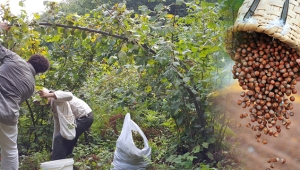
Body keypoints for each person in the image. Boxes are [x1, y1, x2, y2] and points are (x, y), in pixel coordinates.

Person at [0, 24, 50, 169]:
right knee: (10, 151)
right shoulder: (31, 86)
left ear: (29, 59)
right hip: (9, 116)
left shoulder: (15, 59)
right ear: (40, 72)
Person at [38, 89, 94, 160]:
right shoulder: (53, 107)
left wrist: (48, 95)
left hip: (84, 117)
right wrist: (54, 149)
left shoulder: (57, 95)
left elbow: (69, 95)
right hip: (79, 119)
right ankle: (66, 162)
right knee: (65, 139)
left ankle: (58, 163)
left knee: (61, 138)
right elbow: (57, 127)